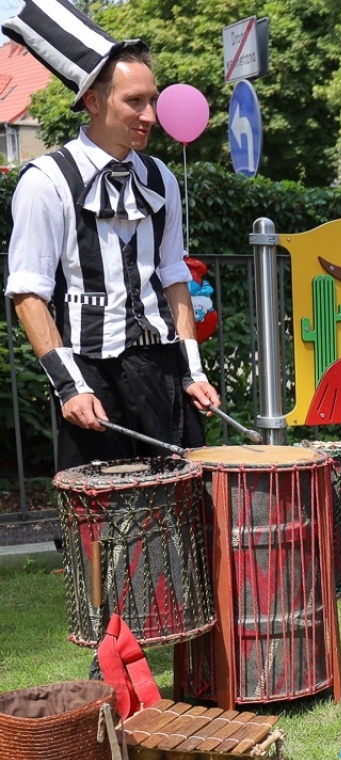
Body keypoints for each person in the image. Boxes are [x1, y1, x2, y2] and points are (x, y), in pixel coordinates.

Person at [4, 38, 218, 468]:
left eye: (152, 101)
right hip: (90, 373)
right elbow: (29, 294)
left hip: (164, 369)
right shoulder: (46, 181)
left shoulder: (162, 181)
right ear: (93, 101)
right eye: (134, 101)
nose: (151, 116)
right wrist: (69, 386)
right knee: (103, 524)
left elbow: (175, 277)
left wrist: (193, 370)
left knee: (185, 511)